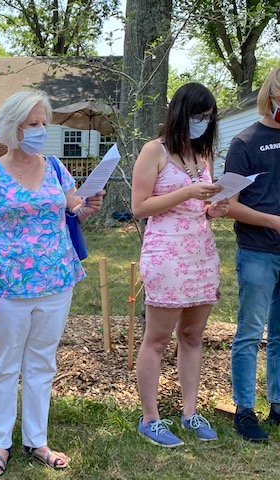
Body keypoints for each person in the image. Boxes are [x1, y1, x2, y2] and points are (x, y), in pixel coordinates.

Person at [0, 89, 104, 477]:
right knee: (5, 365)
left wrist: (87, 206)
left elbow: (75, 209)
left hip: (57, 281)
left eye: (44, 123)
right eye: (34, 124)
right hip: (7, 286)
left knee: (42, 362)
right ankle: (1, 441)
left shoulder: (58, 167)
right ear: (13, 128)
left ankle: (36, 439)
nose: (43, 130)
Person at [132, 82, 230, 448]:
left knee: (192, 335)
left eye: (208, 118)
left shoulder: (203, 156)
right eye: (197, 116)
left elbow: (199, 206)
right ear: (180, 113)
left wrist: (212, 208)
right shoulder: (153, 151)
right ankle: (150, 418)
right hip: (165, 253)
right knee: (157, 339)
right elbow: (140, 207)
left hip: (201, 252)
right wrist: (186, 192)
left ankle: (190, 412)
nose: (202, 123)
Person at [225, 65, 280, 442]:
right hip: (258, 251)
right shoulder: (245, 142)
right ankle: (244, 410)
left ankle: (278, 404)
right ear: (271, 96)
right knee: (249, 333)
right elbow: (229, 204)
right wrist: (273, 222)